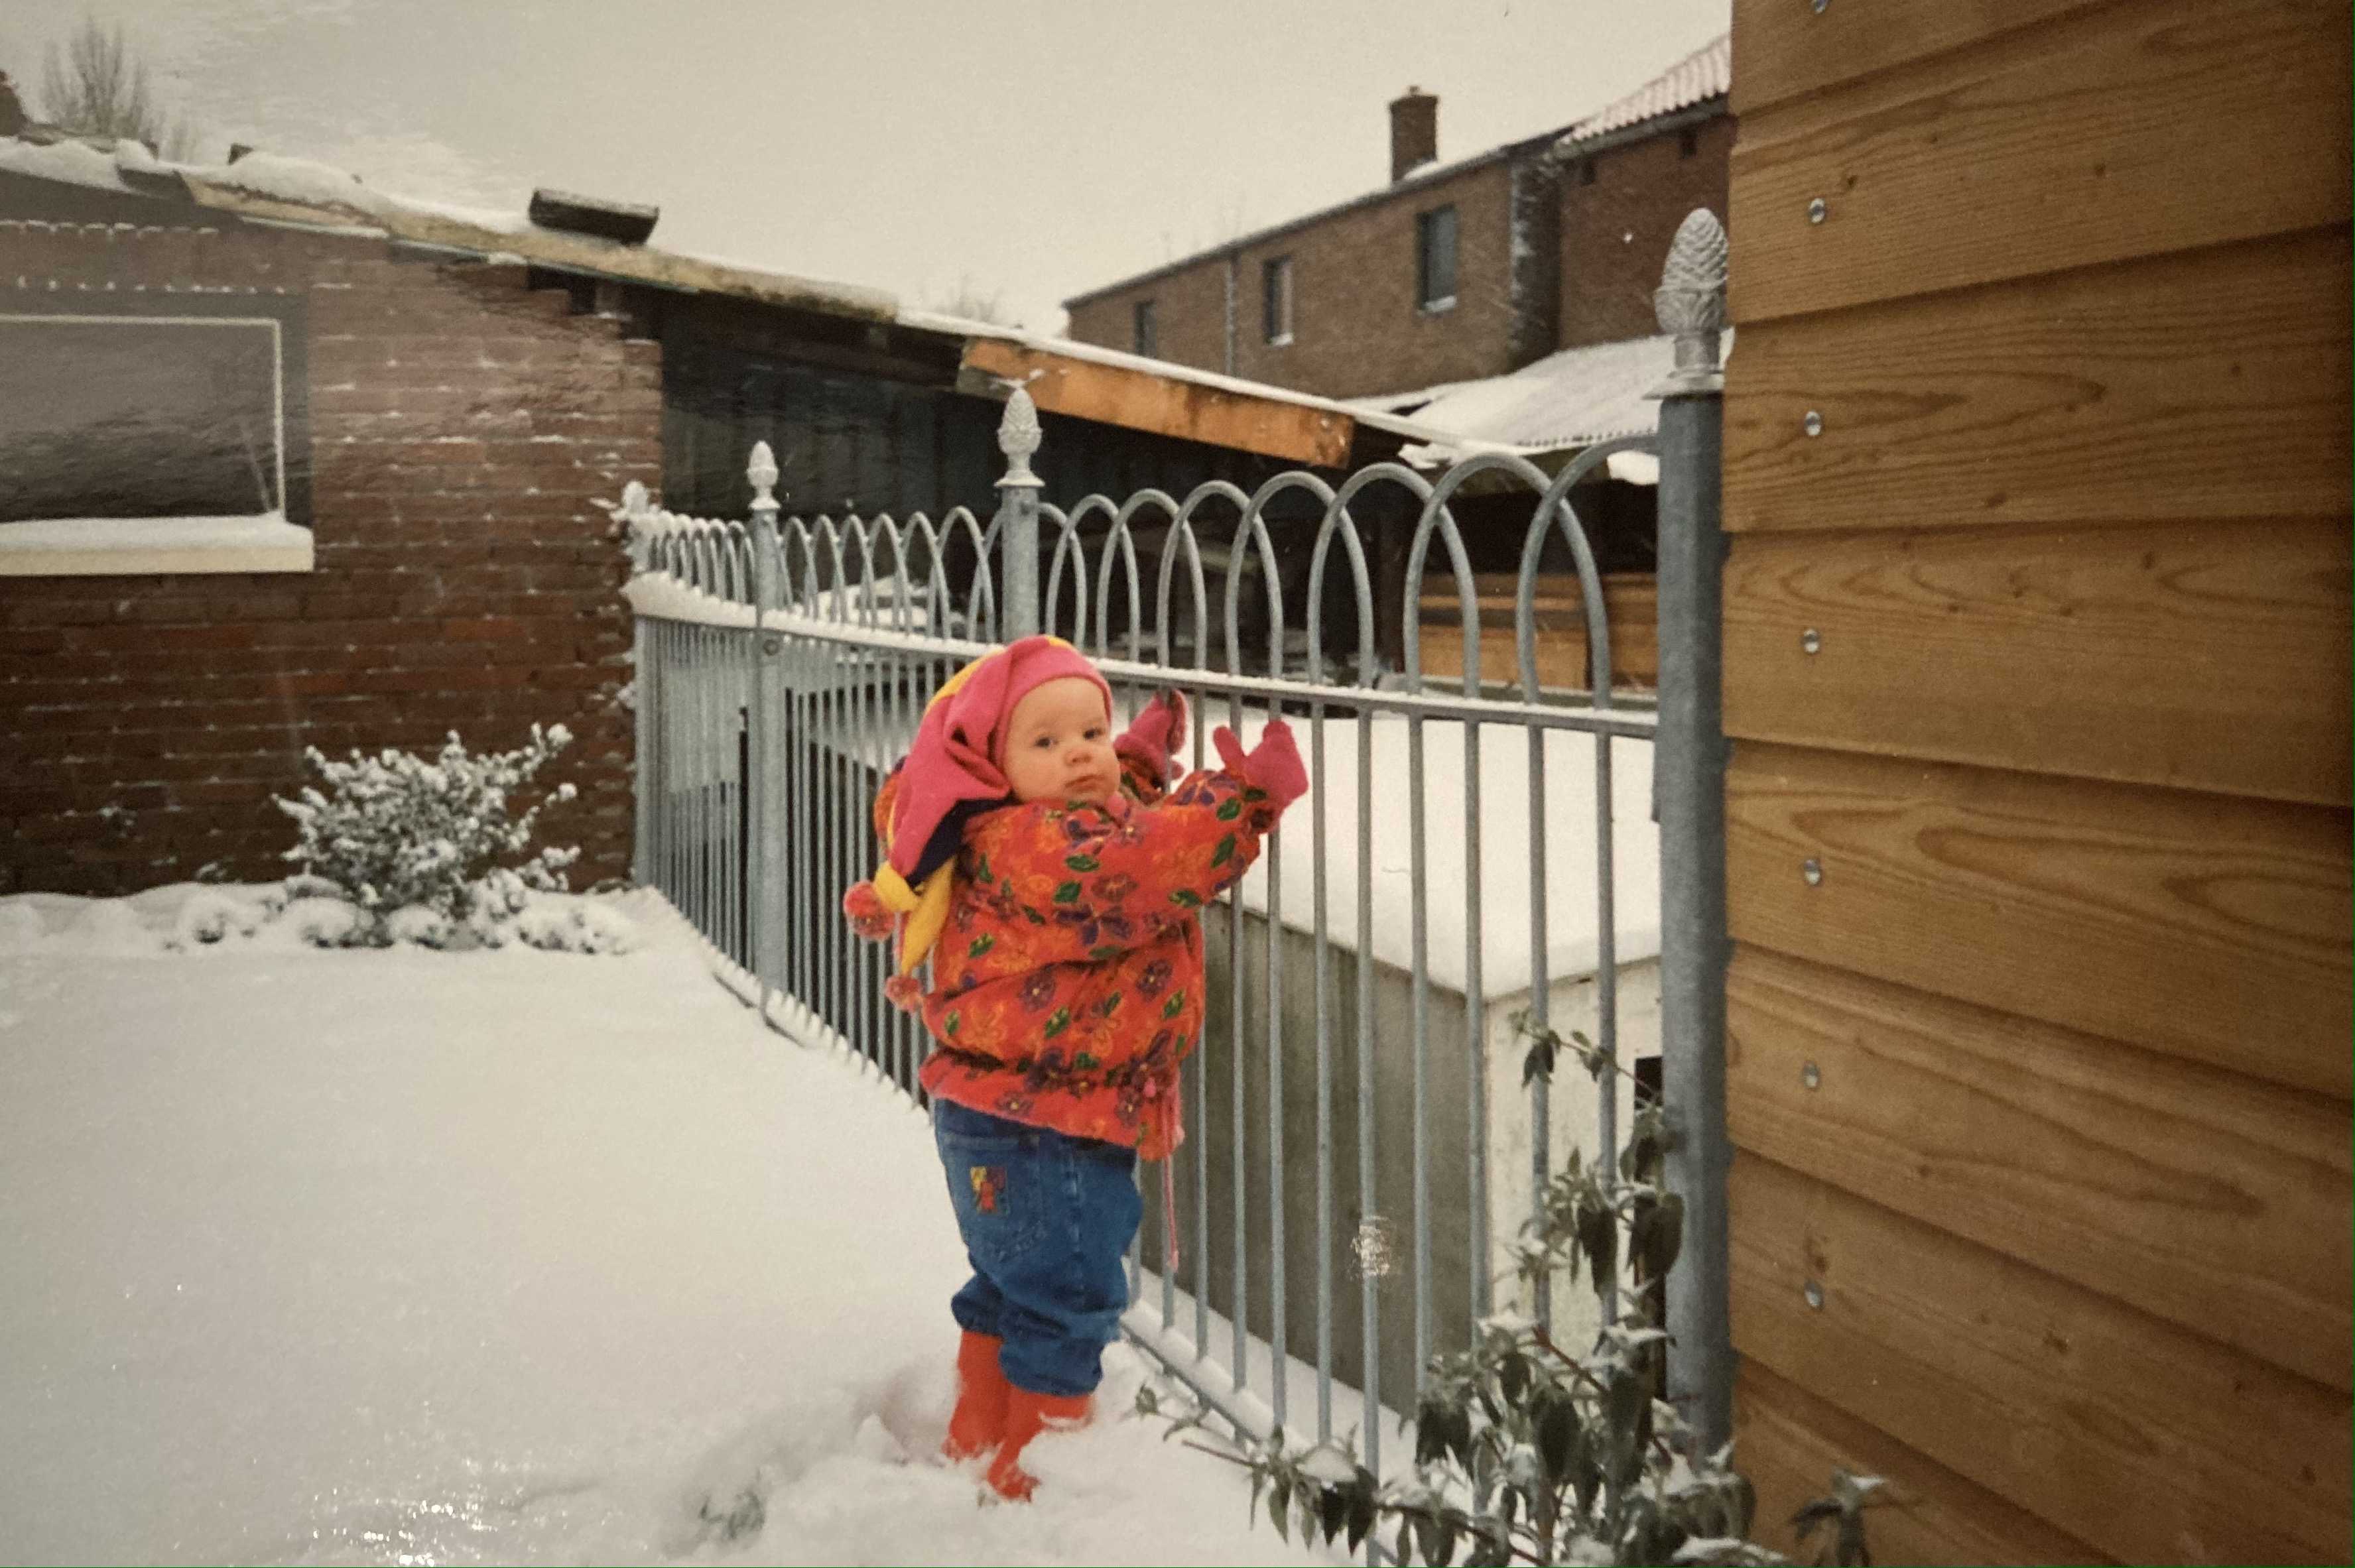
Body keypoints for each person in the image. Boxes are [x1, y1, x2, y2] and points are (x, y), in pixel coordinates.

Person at [843, 635, 1306, 1501]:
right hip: (1052, 1125)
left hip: (1002, 1113)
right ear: (992, 764)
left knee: (1010, 1284)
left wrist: (1136, 759)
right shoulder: (1035, 847)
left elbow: (1103, 817)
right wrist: (1243, 797)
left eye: (1092, 729)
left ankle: (973, 1433)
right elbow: (1141, 859)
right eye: (1047, 742)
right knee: (1066, 1302)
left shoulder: (991, 829)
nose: (1080, 753)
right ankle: (1036, 1489)